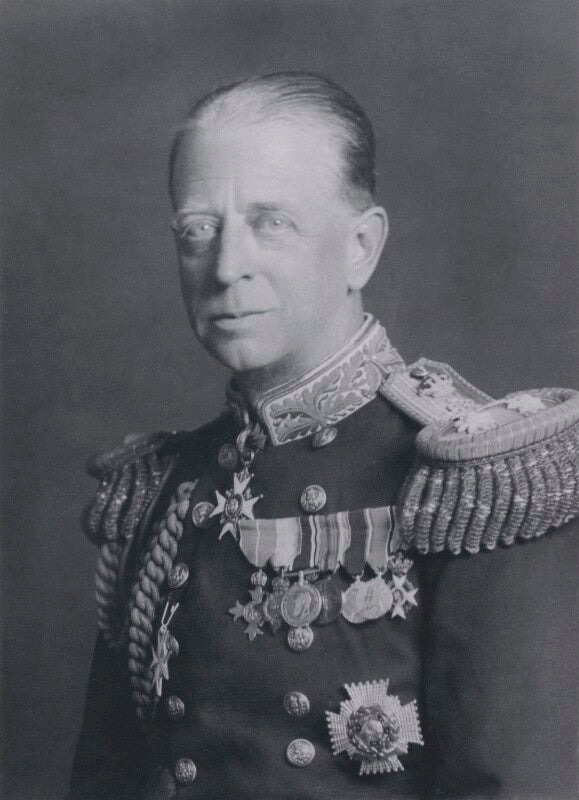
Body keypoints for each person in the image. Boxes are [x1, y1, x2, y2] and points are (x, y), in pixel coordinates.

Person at [68, 72, 578, 800]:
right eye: (197, 230)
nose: (226, 267)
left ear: (361, 247)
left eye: (271, 222)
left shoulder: (479, 480)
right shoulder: (161, 491)